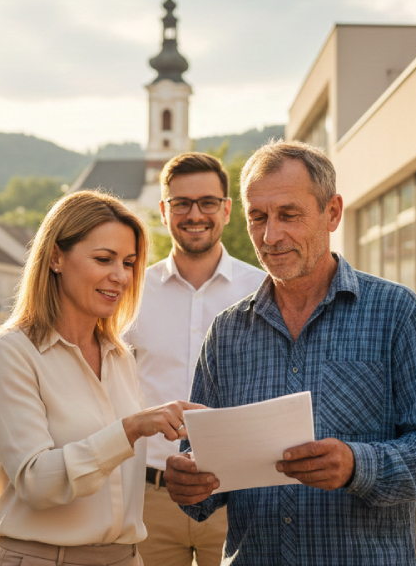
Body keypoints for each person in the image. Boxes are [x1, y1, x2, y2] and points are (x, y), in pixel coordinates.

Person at [163, 141, 416, 565]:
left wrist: (357, 464)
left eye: (288, 215)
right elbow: (198, 468)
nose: (270, 236)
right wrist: (188, 485)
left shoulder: (396, 312)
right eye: (258, 217)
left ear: (333, 213)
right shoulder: (227, 333)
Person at [0, 190, 204, 566]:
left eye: (129, 263)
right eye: (104, 259)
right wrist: (130, 429)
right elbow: (36, 482)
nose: (121, 276)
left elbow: (115, 476)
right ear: (55, 258)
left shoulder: (120, 357)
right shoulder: (9, 353)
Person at [127, 153, 266, 566]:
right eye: (182, 203)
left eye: (207, 202)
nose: (194, 214)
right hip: (152, 497)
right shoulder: (133, 293)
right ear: (164, 210)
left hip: (238, 495)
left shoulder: (262, 290)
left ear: (226, 209)